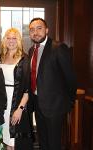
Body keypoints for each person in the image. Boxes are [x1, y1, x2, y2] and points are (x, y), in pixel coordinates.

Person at [28, 17, 77, 150]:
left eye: (39, 28)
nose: (35, 32)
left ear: (47, 30)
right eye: (32, 29)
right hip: (38, 105)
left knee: (54, 144)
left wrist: (69, 102)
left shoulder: (58, 47)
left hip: (55, 107)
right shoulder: (31, 51)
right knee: (43, 142)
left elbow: (70, 78)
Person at [0, 28, 34, 150]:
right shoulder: (0, 58)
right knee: (6, 139)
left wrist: (20, 109)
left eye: (14, 38)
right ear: (4, 40)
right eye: (8, 37)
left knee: (14, 142)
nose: (11, 41)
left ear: (18, 41)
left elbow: (28, 88)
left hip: (17, 103)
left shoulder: (24, 59)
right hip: (2, 103)